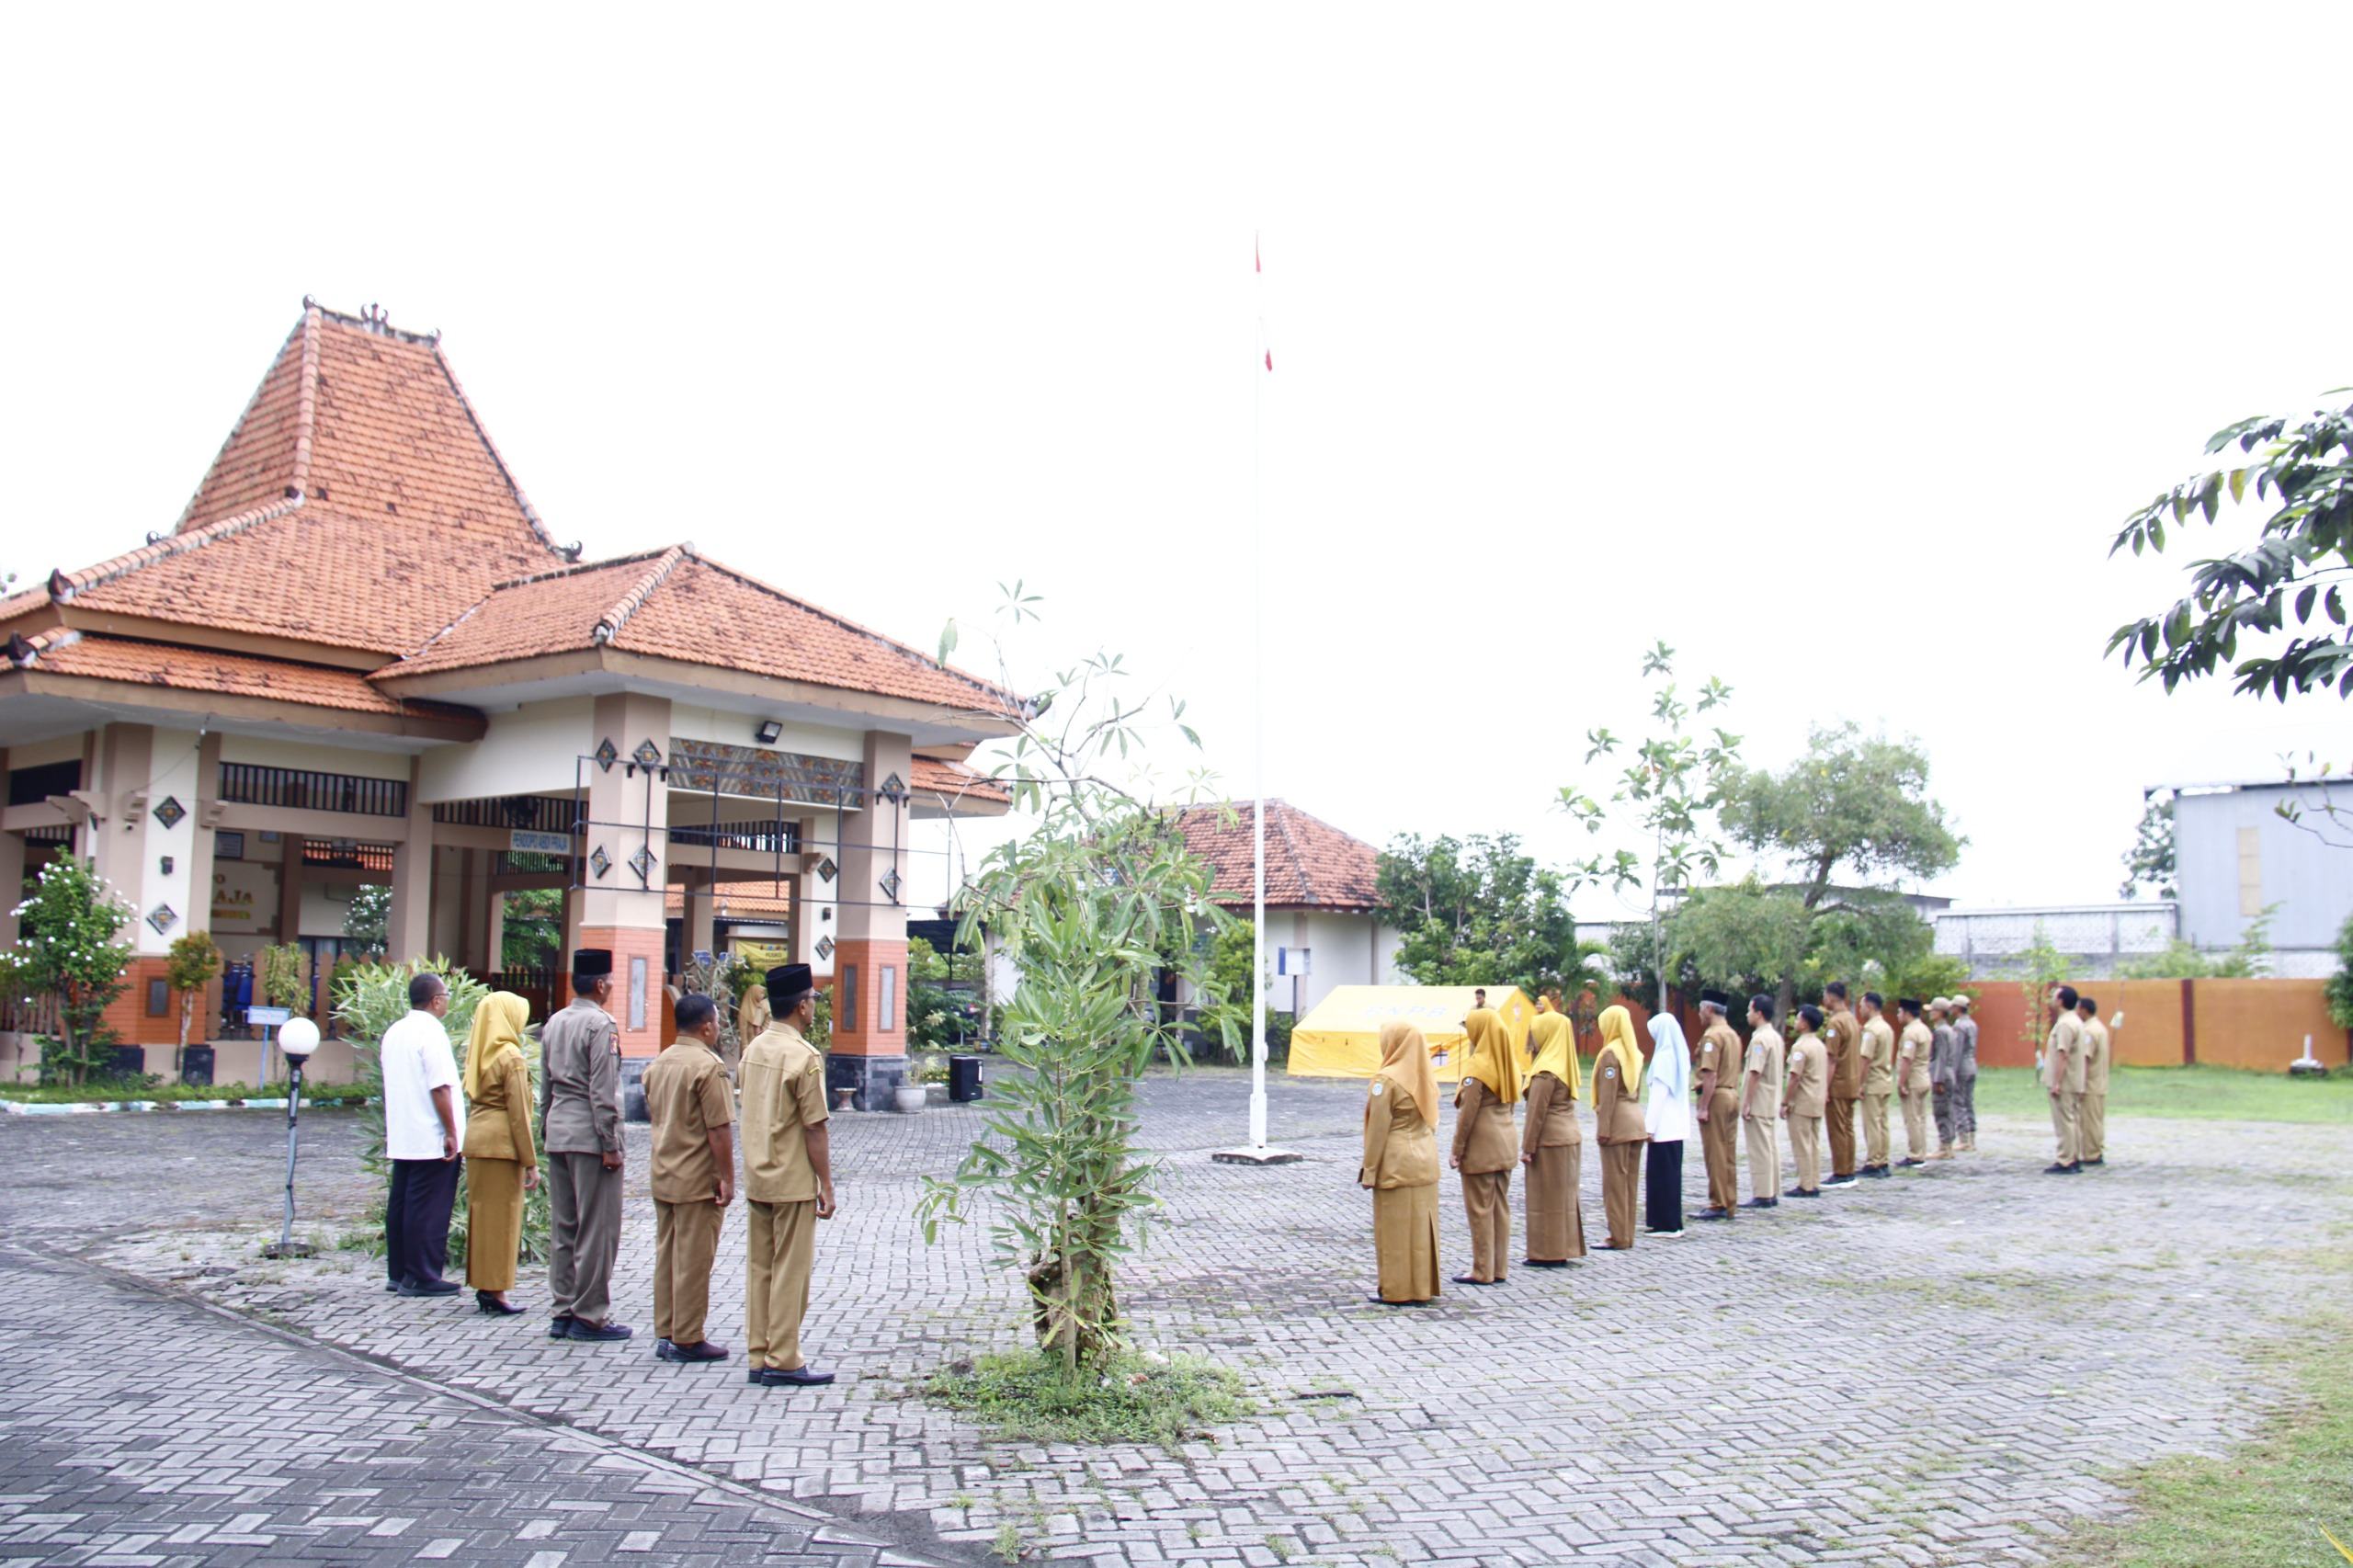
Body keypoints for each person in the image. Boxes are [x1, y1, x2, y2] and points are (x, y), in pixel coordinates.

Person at [741, 964, 838, 1385]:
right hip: (792, 1177)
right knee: (790, 1271)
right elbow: (814, 1127)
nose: (813, 1006)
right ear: (801, 1006)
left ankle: (758, 1354)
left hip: (758, 1173)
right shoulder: (803, 1057)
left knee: (760, 1268)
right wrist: (826, 1184)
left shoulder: (754, 1049)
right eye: (812, 999)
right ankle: (783, 1358)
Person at [540, 949, 632, 1342]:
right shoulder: (600, 1024)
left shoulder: (555, 1022)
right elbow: (603, 1089)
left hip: (559, 1130)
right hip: (590, 1136)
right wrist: (610, 1142)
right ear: (599, 984)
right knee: (598, 1229)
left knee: (565, 1226)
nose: (612, 986)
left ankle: (562, 1309)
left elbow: (545, 1085)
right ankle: (590, 1313)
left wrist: (545, 1128)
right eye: (610, 980)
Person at [644, 994, 737, 1364]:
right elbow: (719, 1129)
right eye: (716, 1021)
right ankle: (688, 1336)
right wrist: (727, 1177)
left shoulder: (659, 1062)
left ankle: (666, 1330)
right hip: (697, 1177)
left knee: (667, 1256)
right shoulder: (708, 1067)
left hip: (664, 1171)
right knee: (694, 1260)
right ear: (706, 1027)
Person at [383, 971, 464, 1298]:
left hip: (404, 1130)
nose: (447, 1002)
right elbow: (440, 1086)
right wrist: (451, 1131)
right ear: (435, 1000)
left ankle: (399, 1272)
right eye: (445, 996)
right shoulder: (431, 1033)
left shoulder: (396, 1031)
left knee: (402, 1203)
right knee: (429, 1208)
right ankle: (422, 1275)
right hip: (432, 1134)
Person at [460, 990, 539, 1315]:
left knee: (482, 1216)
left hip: (478, 1139)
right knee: (502, 1219)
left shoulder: (480, 1052)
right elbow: (519, 1114)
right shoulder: (511, 1057)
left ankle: (484, 1284)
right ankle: (496, 1291)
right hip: (501, 1144)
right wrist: (530, 1161)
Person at [1362, 1021, 1444, 1303]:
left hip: (1396, 1161)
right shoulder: (1425, 1077)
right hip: (1426, 1159)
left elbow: (1378, 1131)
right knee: (1421, 1230)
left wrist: (1369, 1171)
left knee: (1394, 1230)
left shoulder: (1385, 1081)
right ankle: (1422, 1287)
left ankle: (1396, 1290)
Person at [1449, 1007, 1519, 1283]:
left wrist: (1457, 1150)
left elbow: (1467, 1114)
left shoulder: (1478, 1066)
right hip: (1506, 1140)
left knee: (1480, 1209)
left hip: (1482, 1145)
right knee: (1500, 1208)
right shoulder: (1507, 1062)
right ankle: (1499, 1268)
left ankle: (1481, 1269)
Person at [1518, 1007, 1586, 1267]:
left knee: (1546, 1198)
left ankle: (1548, 1252)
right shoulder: (1564, 1064)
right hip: (1568, 1136)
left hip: (1549, 1140)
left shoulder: (1545, 1071)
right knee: (1564, 1198)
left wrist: (1527, 1147)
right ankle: (1564, 1247)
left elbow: (1535, 1113)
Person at [1591, 1004, 1649, 1247]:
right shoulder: (1633, 1052)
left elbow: (1608, 1096)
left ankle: (1617, 1236)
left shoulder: (1611, 1054)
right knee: (1630, 1183)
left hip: (1618, 1123)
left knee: (1614, 1184)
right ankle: (1627, 1234)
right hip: (1635, 1120)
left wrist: (1603, 1128)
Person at [1691, 991, 1743, 1221]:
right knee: (1728, 1152)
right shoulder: (1732, 1034)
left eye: (1701, 1009)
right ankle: (1729, 1201)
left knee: (1715, 1153)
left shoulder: (1712, 1036)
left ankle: (1718, 1202)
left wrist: (1704, 1107)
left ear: (1709, 1009)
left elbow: (1710, 1075)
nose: (1699, 1013)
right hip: (1731, 1093)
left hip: (1717, 1097)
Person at [1643, 1012, 1692, 1236]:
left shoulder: (1664, 1057)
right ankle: (1668, 1222)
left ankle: (1667, 1224)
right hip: (1675, 1127)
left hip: (1663, 1128)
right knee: (1670, 1176)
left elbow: (1658, 1096)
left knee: (1662, 1178)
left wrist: (1649, 1127)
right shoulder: (1677, 1054)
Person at [1739, 994, 1785, 1209]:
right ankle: (1772, 1190)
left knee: (1760, 1149)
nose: (1747, 1014)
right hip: (1771, 1099)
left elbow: (1755, 1072)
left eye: (1750, 1010)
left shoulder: (1759, 1040)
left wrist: (1747, 1102)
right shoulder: (1775, 1037)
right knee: (1770, 1147)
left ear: (1758, 1013)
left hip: (1758, 1101)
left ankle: (1763, 1193)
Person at [1781, 1005, 1827, 1199]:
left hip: (1803, 1101)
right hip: (1817, 1099)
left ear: (1805, 1024)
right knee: (1813, 1143)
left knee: (1801, 1144)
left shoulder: (1800, 1047)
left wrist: (1785, 1102)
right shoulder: (1820, 1045)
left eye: (1799, 1018)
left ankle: (1806, 1184)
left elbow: (1795, 1077)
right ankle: (1814, 1181)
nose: (1796, 1022)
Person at [1820, 981, 1863, 1189]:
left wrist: (1825, 1087)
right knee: (1848, 1128)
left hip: (1838, 1083)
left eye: (1825, 996)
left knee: (1837, 1129)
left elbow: (1831, 1058)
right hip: (1852, 1081)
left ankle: (1841, 1172)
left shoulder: (1835, 1023)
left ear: (1830, 996)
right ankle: (1849, 1169)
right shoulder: (1852, 1019)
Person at [2042, 984, 2086, 1175]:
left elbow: (2063, 1054)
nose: (2052, 998)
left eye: (2054, 996)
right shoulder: (2075, 1021)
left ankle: (2065, 1159)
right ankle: (2074, 1157)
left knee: (2064, 1121)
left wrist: (2057, 1082)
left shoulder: (2066, 1024)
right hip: (2073, 1079)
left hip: (2065, 1081)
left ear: (2060, 1001)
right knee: (2072, 1119)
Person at [1857, 992, 1896, 1179]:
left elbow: (1865, 1059)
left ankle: (1873, 1161)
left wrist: (1860, 1084)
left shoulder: (1871, 1030)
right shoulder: (1886, 1027)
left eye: (1862, 1005)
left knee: (1871, 1123)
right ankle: (1883, 1159)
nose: (1860, 1009)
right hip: (1885, 1079)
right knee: (1882, 1123)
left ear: (1870, 1006)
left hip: (1872, 1081)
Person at [1895, 999, 1934, 1168]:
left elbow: (1907, 1060)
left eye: (1900, 1012)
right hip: (1924, 1077)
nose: (1898, 1015)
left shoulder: (1911, 1032)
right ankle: (1921, 1152)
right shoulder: (1924, 1029)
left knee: (1912, 1119)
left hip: (1914, 1080)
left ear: (1907, 1013)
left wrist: (1901, 1083)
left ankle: (1915, 1155)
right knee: (1921, 1119)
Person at [2075, 994, 2111, 1167]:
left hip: (2090, 1084)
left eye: (2078, 1009)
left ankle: (2091, 1154)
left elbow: (2085, 1059)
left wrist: (2080, 1084)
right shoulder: (2100, 1028)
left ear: (2084, 1010)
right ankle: (2096, 1150)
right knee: (2096, 1120)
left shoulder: (2088, 1031)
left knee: (2089, 1122)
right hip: (2100, 1083)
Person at [1927, 998, 1961, 1161]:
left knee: (1941, 1110)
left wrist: (1938, 1080)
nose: (1930, 1013)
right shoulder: (1949, 1030)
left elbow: (1941, 1057)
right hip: (1949, 1073)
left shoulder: (1941, 1032)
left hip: (1942, 1074)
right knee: (1948, 1110)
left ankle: (1945, 1146)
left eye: (1933, 1010)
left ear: (1940, 1012)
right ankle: (1947, 1144)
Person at [1949, 993, 1980, 1153]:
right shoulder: (1972, 1024)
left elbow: (1957, 1051)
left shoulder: (1959, 1026)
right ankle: (1972, 1137)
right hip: (1972, 1064)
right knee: (1968, 1101)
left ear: (1958, 1008)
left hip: (1962, 1067)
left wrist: (1952, 1071)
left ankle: (1964, 1139)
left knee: (1959, 1102)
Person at [733, 982, 770, 1077]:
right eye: (760, 993)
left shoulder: (760, 1007)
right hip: (748, 1044)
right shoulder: (745, 1011)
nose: (762, 996)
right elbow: (743, 1031)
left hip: (756, 1043)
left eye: (763, 994)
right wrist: (745, 1046)